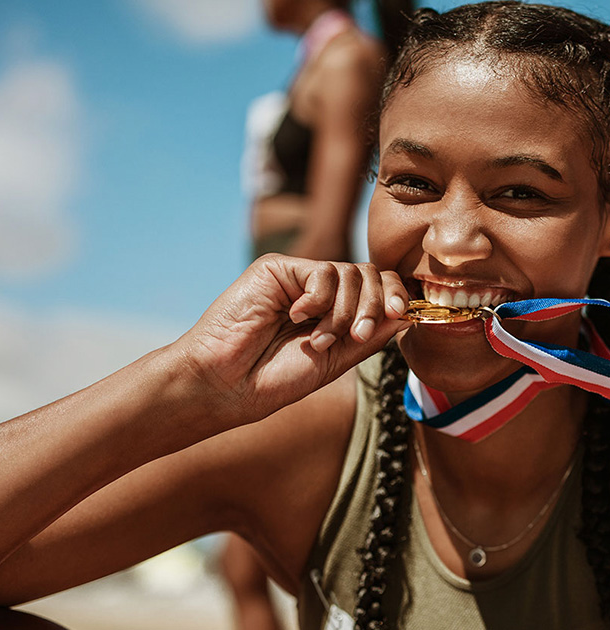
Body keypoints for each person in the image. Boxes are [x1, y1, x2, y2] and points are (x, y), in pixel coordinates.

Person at [0, 3, 610, 628]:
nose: (449, 244)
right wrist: (182, 386)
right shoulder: (313, 436)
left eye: (520, 195)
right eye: (409, 183)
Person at [233, 3, 411, 628]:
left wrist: (291, 325)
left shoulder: (346, 58)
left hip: (303, 306)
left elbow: (331, 223)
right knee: (241, 563)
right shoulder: (319, 58)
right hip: (282, 294)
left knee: (244, 563)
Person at [241, 0, 391, 262]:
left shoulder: (345, 59)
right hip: (285, 259)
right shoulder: (321, 59)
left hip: (302, 263)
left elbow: (328, 236)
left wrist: (293, 293)